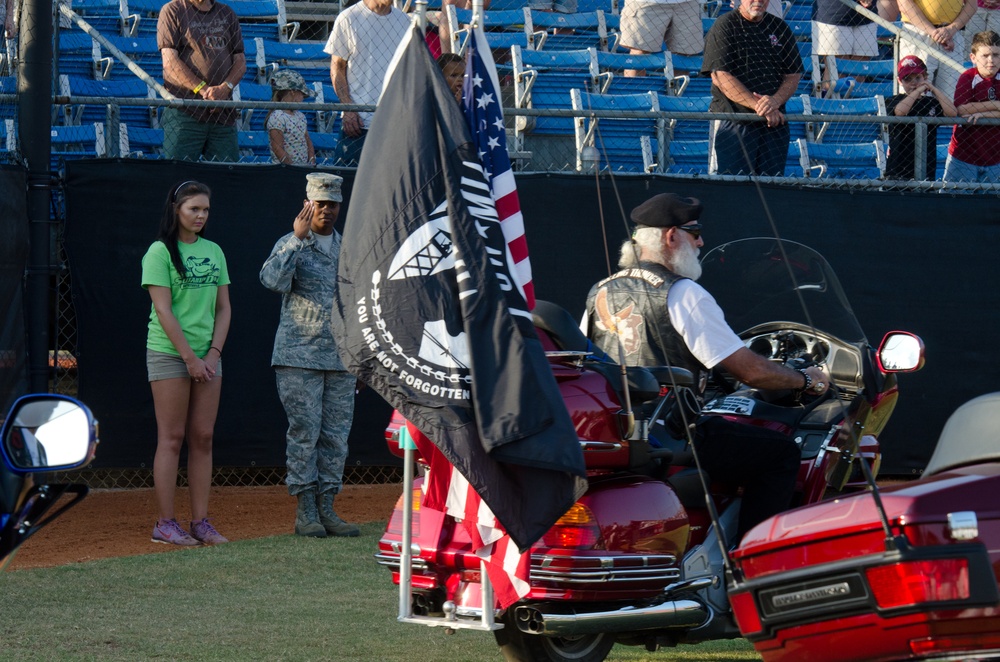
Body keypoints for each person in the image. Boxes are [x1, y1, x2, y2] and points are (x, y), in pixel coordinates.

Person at [584, 193, 828, 541]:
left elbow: (590, 361)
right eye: (694, 231)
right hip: (672, 431)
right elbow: (750, 371)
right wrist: (805, 379)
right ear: (671, 236)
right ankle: (755, 561)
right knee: (781, 453)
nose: (701, 241)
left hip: (618, 429)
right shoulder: (682, 292)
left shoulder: (600, 291)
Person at [259, 173, 360, 538]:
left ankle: (327, 508)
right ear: (307, 204)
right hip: (299, 356)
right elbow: (271, 281)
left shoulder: (348, 249)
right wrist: (296, 240)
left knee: (336, 436)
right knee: (305, 432)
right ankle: (305, 511)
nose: (327, 211)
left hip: (340, 360)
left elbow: (358, 304)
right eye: (320, 204)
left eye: (333, 204)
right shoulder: (292, 243)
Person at [142, 180, 231, 546]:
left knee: (204, 437)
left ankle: (200, 522)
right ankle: (165, 523)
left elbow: (224, 308)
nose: (200, 215)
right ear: (176, 209)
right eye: (194, 208)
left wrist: (211, 355)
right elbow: (163, 310)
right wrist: (190, 358)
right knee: (172, 438)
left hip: (207, 359)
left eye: (205, 210)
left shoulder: (214, 251)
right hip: (169, 353)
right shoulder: (159, 252)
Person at [702, 0, 804, 176]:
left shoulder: (779, 27)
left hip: (774, 122)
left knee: (773, 185)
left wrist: (775, 101)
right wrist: (761, 107)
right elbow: (720, 76)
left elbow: (793, 76)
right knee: (730, 184)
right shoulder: (725, 24)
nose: (758, 0)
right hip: (734, 120)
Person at [157, 0, 246, 162]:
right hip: (185, 110)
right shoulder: (173, 10)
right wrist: (204, 90)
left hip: (223, 112)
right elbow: (169, 63)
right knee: (179, 175)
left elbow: (240, 61)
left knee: (227, 175)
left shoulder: (227, 13)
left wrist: (225, 88)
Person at [323, 0, 410, 167]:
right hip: (358, 123)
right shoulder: (348, 18)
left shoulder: (404, 22)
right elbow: (337, 68)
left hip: (394, 123)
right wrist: (348, 108)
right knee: (348, 185)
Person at [885, 55, 957, 180]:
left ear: (925, 77)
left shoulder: (930, 102)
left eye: (917, 78)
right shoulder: (895, 100)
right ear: (899, 81)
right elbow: (900, 112)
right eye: (907, 79)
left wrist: (934, 89)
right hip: (899, 165)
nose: (913, 83)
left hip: (926, 162)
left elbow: (952, 113)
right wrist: (917, 91)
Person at [944, 29, 1000, 181]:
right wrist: (996, 104)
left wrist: (983, 114)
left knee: (992, 204)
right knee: (954, 200)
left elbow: (971, 108)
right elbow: (962, 109)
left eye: (996, 55)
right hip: (964, 155)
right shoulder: (968, 77)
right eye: (985, 55)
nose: (991, 60)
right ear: (973, 58)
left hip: (996, 157)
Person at [897, 0, 976, 97]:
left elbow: (972, 5)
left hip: (953, 34)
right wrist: (934, 32)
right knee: (915, 92)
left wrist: (951, 29)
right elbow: (904, 3)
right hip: (918, 32)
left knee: (950, 94)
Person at [618, 0, 704, 78]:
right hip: (646, 2)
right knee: (640, 55)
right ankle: (633, 93)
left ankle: (676, 94)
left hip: (687, 3)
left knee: (684, 56)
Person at [266, 69, 316, 165]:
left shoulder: (300, 116)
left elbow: (307, 140)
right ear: (293, 92)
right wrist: (290, 166)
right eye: (302, 94)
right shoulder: (278, 117)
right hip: (284, 169)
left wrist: (311, 160)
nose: (303, 98)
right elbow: (277, 147)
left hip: (304, 166)